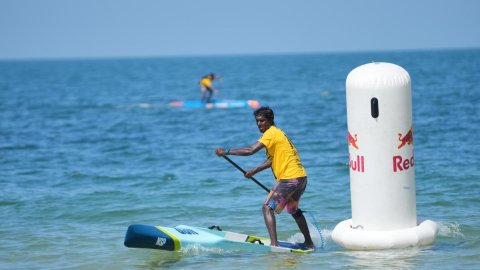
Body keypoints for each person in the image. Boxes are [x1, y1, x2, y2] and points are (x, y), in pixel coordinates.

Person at [215, 106, 314, 249]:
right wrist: (254, 171)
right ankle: (309, 243)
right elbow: (272, 160)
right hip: (300, 178)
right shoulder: (278, 133)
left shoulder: (270, 133)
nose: (259, 124)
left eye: (262, 121)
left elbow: (251, 150)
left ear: (270, 120)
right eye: (257, 121)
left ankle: (274, 246)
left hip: (289, 179)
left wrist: (227, 151)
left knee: (267, 208)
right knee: (292, 209)